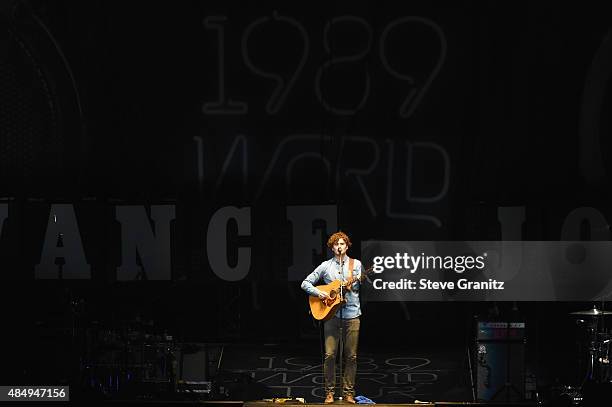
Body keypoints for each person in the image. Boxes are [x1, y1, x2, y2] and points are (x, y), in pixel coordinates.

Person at [301, 231, 363, 404]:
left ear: (347, 246)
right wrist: (320, 293)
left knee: (351, 356)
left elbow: (359, 285)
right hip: (331, 316)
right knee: (330, 355)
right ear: (332, 247)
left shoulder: (355, 264)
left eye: (342, 244)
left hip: (352, 314)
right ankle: (329, 392)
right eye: (336, 244)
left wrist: (352, 284)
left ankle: (348, 392)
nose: (339, 246)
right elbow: (305, 283)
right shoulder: (325, 266)